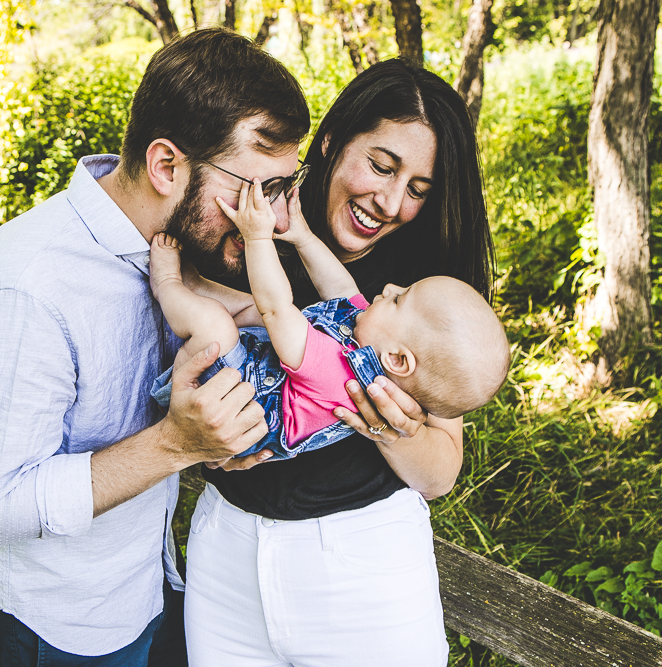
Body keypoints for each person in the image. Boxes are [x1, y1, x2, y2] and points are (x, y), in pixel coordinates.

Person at [0, 28, 309, 666]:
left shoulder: (169, 254)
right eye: (254, 191)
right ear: (167, 166)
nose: (272, 220)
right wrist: (176, 445)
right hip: (60, 628)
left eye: (281, 191)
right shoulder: (24, 285)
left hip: (155, 587)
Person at [184, 58, 497, 666]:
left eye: (417, 190)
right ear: (330, 141)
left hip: (362, 565)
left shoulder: (420, 294)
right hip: (226, 550)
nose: (389, 201)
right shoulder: (249, 226)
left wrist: (384, 422)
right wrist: (194, 432)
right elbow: (181, 326)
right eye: (381, 166)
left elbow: (439, 475)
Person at [148, 181, 508, 461]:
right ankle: (193, 286)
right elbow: (339, 286)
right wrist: (302, 237)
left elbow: (277, 308)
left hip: (231, 406)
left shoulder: (339, 375)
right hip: (253, 369)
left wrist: (258, 235)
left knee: (216, 325)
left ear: (398, 360)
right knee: (245, 311)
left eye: (400, 298)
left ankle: (168, 284)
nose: (389, 287)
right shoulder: (370, 339)